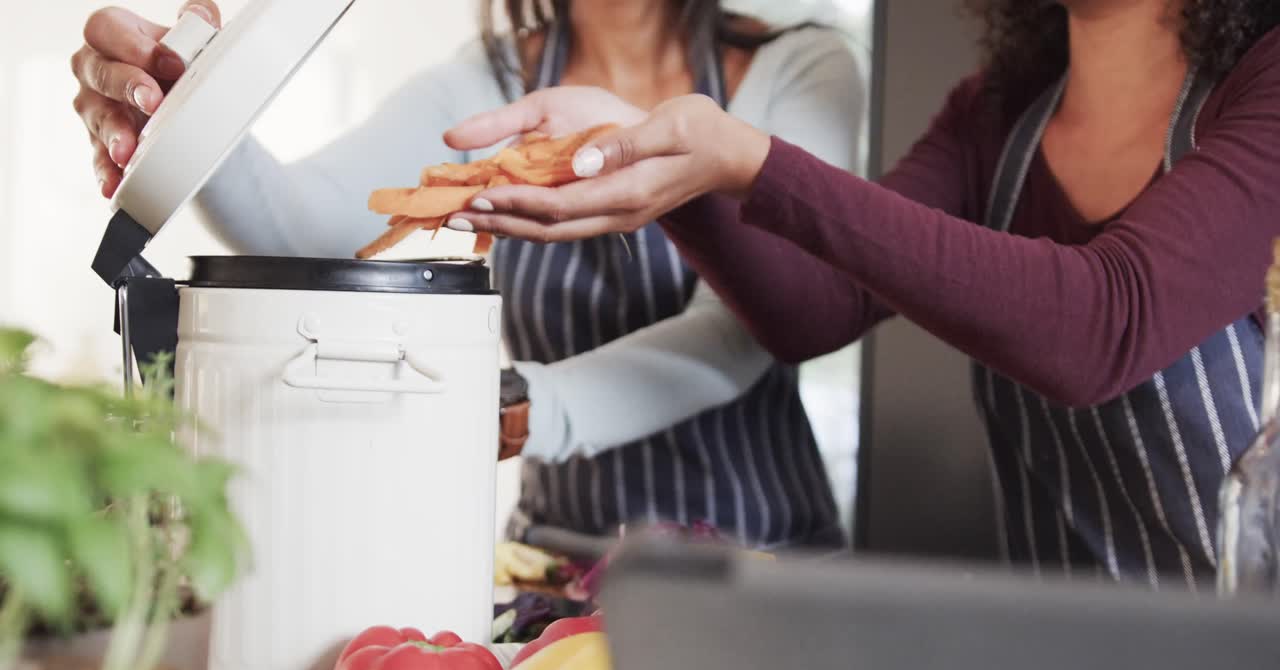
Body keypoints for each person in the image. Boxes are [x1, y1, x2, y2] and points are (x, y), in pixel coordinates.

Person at [445, 0, 1280, 587]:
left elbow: (1103, 325)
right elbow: (815, 308)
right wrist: (672, 169)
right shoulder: (999, 111)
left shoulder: (1265, 87)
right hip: (1079, 654)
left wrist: (750, 161)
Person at [70, 0, 864, 549]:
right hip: (555, 555)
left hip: (758, 555)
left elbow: (747, 329)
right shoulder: (487, 79)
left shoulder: (799, 67)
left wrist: (507, 406)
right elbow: (300, 228)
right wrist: (190, 106)